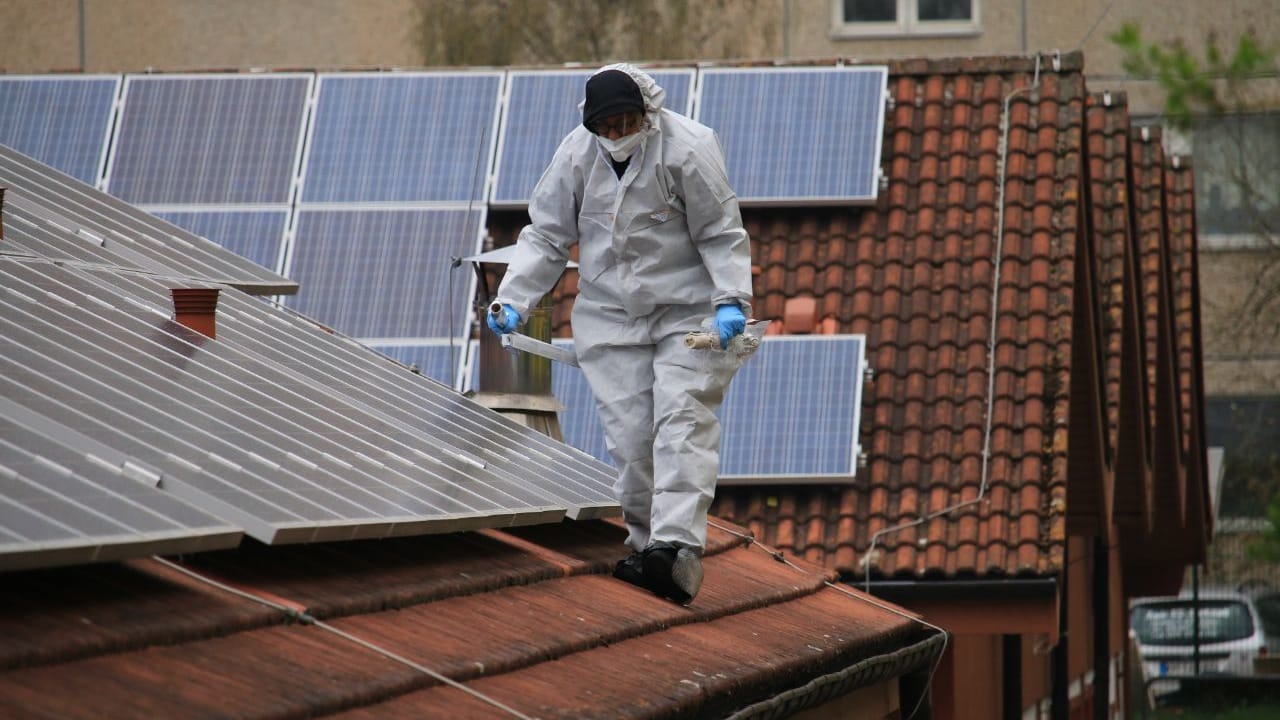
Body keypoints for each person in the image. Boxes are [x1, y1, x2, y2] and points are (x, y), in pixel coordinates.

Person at [487, 64, 752, 605]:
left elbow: (721, 231)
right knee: (632, 441)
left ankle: (677, 546)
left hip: (688, 312)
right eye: (605, 127)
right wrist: (513, 299)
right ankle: (647, 549)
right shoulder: (577, 156)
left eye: (625, 123)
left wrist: (730, 300)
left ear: (647, 114)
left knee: (681, 419)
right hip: (611, 316)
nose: (616, 135)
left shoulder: (688, 149)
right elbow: (546, 235)